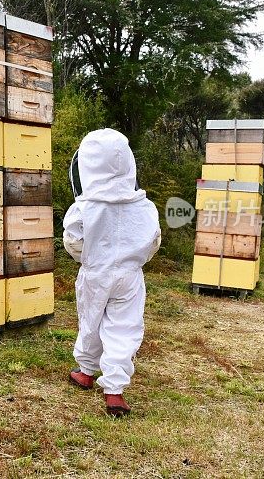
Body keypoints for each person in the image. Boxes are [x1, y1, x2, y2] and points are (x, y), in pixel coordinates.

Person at [63, 128, 161, 416]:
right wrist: (132, 259)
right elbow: (153, 241)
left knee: (91, 321)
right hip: (130, 277)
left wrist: (93, 258)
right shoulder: (144, 206)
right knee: (124, 327)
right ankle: (115, 392)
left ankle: (85, 371)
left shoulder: (83, 207)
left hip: (96, 273)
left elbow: (73, 243)